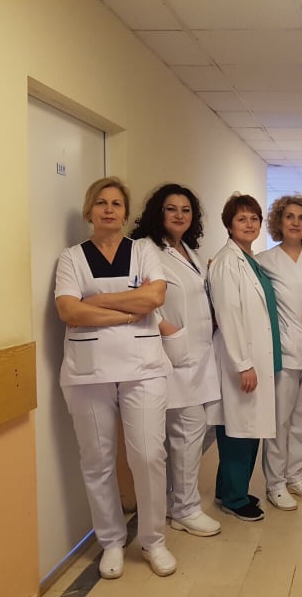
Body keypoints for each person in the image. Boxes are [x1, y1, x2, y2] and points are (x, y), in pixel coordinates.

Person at [54, 177, 176, 578]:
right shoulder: (72, 258)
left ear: (125, 213)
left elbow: (154, 297)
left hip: (144, 368)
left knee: (149, 455)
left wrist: (99, 301)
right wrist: (127, 313)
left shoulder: (143, 251)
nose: (109, 209)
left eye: (117, 204)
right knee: (97, 460)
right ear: (90, 211)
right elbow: (69, 311)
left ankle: (153, 540)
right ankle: (110, 541)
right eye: (101, 203)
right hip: (88, 372)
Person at [129, 183, 222, 538]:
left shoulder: (189, 251)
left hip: (196, 355)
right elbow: (137, 297)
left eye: (186, 210)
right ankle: (185, 508)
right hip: (170, 354)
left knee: (187, 433)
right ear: (159, 212)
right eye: (172, 208)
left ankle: (176, 502)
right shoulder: (144, 248)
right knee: (186, 432)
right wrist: (166, 329)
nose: (180, 215)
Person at [209, 193, 280, 522]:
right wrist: (243, 364)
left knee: (248, 428)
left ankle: (227, 490)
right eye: (242, 219)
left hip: (255, 359)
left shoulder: (248, 259)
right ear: (229, 225)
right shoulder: (227, 262)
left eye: (254, 219)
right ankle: (235, 499)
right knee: (239, 430)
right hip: (242, 362)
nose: (249, 224)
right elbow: (228, 316)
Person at [256, 195, 302, 510]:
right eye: (289, 217)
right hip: (283, 352)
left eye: (301, 217)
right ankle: (275, 483)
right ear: (279, 222)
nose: (296, 222)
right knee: (280, 422)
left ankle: (295, 475)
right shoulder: (264, 261)